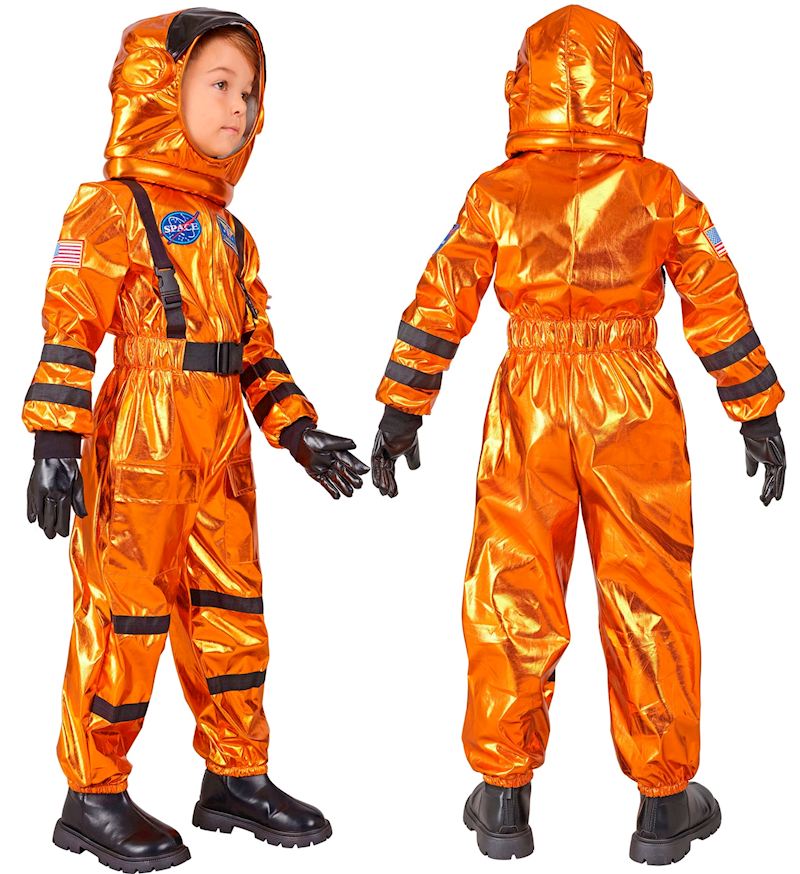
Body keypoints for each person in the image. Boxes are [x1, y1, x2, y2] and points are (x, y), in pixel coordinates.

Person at [371, 4, 786, 864]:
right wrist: (755, 409)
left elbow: (442, 294)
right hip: (630, 397)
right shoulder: (659, 189)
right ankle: (663, 803)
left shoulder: (496, 192)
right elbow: (715, 292)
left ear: (522, 87)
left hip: (529, 396)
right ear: (630, 86)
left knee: (511, 582)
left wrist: (404, 405)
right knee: (648, 588)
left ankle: (503, 794)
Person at [23, 8, 368, 870]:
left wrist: (298, 431)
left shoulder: (230, 232)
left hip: (221, 442)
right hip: (144, 428)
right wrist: (55, 438)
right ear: (158, 88)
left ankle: (235, 776)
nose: (238, 107)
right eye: (218, 84)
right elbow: (71, 322)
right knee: (127, 610)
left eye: (249, 91)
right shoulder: (111, 207)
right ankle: (92, 794)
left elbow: (255, 349)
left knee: (231, 608)